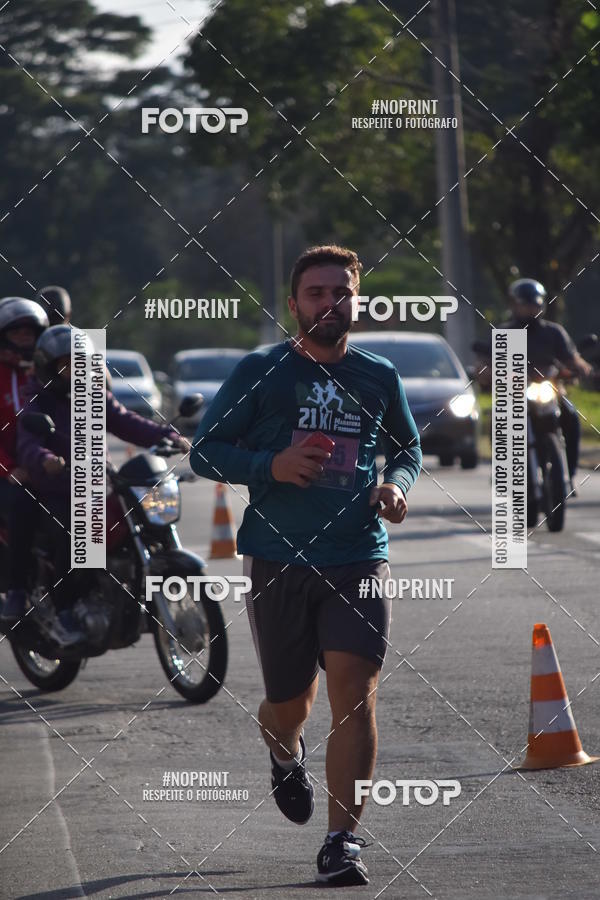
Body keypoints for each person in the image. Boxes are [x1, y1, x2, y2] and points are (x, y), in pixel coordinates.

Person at [189, 244, 422, 886]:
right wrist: (271, 467)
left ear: (356, 299)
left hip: (357, 557)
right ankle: (285, 752)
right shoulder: (262, 371)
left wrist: (397, 485)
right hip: (278, 559)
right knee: (288, 706)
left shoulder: (379, 375)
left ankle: (342, 841)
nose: (330, 303)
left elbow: (408, 446)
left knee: (355, 696)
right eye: (316, 293)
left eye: (340, 292)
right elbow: (205, 451)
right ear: (294, 304)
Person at [15, 325, 189, 644]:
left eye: (81, 362)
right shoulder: (36, 401)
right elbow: (27, 442)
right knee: (74, 534)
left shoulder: (94, 396)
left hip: (98, 483)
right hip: (57, 488)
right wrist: (45, 459)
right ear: (47, 367)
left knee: (132, 522)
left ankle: (125, 591)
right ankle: (65, 611)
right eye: (66, 364)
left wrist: (168, 436)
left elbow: (128, 422)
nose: (75, 370)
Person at [478, 278, 592, 480]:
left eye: (535, 304)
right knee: (498, 417)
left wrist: (582, 368)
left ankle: (570, 474)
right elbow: (487, 363)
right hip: (515, 396)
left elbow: (571, 358)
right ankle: (501, 469)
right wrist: (486, 373)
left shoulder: (554, 332)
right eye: (526, 304)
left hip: (550, 392)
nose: (531, 309)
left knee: (571, 416)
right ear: (514, 305)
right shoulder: (504, 332)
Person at [0, 298, 49, 625]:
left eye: (30, 332)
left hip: (46, 466)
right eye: (16, 332)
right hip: (9, 473)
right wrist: (9, 469)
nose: (24, 338)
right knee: (21, 506)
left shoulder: (48, 373)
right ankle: (16, 591)